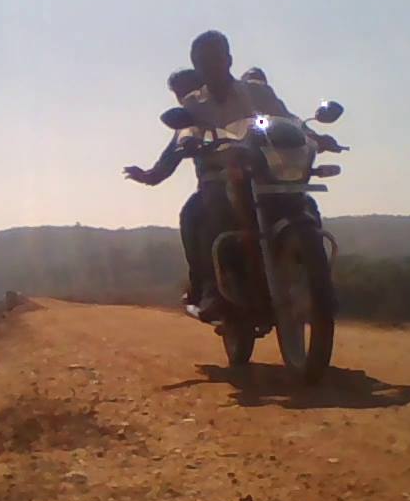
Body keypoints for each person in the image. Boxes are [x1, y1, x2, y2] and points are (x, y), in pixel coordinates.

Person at [183, 31, 341, 320]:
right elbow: (186, 131)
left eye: (216, 58)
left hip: (265, 173)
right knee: (205, 210)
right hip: (221, 176)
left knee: (306, 205)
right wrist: (188, 140)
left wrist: (315, 136)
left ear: (228, 59)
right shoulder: (193, 104)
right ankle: (213, 289)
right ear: (197, 67)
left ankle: (318, 284)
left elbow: (288, 120)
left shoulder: (257, 92)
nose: (212, 66)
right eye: (204, 62)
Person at [123, 68, 208, 304]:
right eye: (181, 94)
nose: (185, 98)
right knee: (190, 216)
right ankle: (202, 286)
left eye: (188, 90)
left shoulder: (233, 105)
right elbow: (169, 158)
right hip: (216, 186)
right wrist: (147, 175)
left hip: (258, 179)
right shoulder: (186, 123)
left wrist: (314, 138)